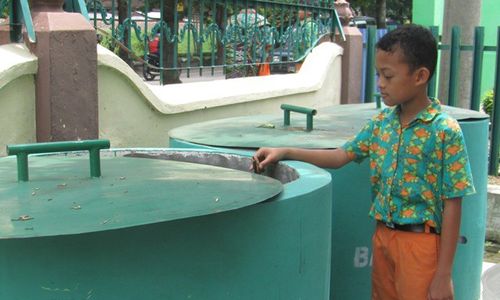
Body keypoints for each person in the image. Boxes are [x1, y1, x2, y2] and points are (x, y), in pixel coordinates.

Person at [252, 24, 475, 300]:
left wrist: (443, 275)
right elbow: (340, 156)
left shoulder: (444, 131)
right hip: (383, 239)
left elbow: (453, 203)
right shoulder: (382, 123)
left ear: (420, 76)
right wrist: (285, 151)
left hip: (421, 245)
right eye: (378, 74)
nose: (380, 83)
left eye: (388, 76)